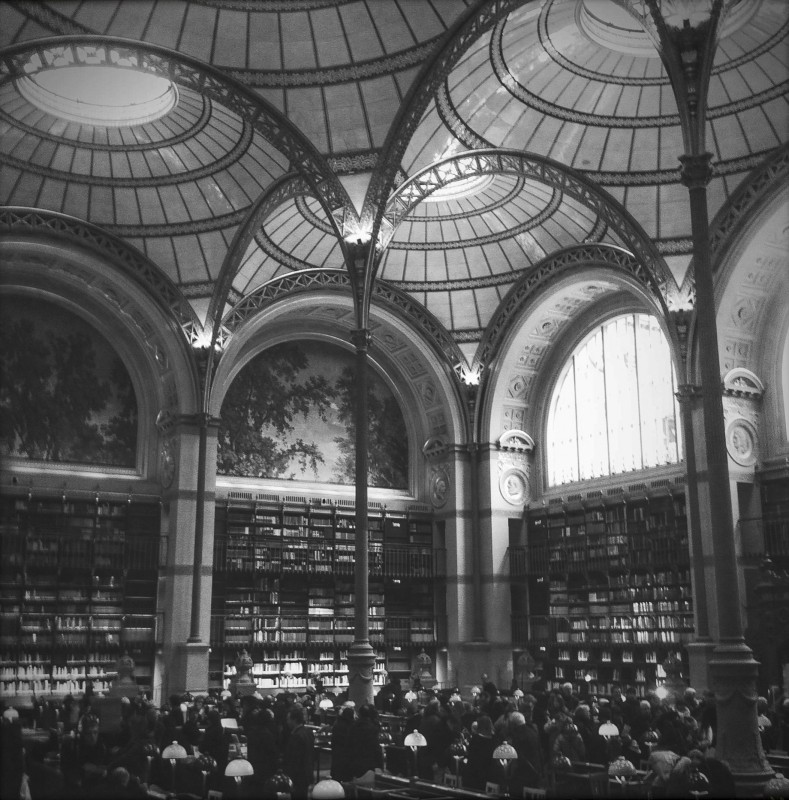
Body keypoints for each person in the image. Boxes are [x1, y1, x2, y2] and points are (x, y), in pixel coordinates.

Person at [282, 703, 314, 798]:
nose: (287, 722)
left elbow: (295, 759)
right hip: (307, 772)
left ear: (294, 720)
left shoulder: (296, 736)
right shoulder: (308, 732)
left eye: (288, 719)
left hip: (298, 776)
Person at [463, 715, 495, 791]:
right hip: (486, 775)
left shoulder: (475, 739)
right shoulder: (494, 741)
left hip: (472, 774)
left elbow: (470, 754)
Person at [330, 704, 356, 782]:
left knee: (336, 777)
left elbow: (334, 739)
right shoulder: (353, 726)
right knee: (347, 778)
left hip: (337, 754)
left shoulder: (337, 724)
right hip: (349, 756)